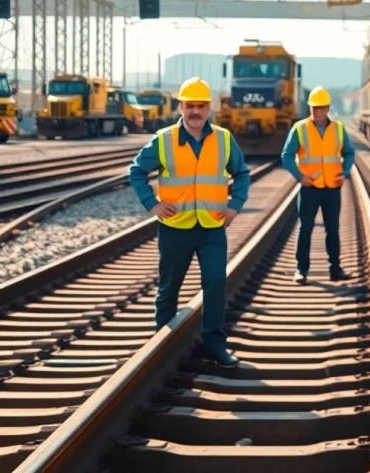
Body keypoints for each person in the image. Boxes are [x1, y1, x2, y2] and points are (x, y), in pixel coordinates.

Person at [128, 77, 251, 367]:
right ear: (180, 106)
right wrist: (152, 204)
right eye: (189, 105)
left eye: (201, 106)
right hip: (175, 228)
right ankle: (161, 342)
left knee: (216, 282)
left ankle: (214, 343)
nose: (195, 111)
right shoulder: (164, 139)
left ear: (210, 108)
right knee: (169, 288)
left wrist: (235, 205)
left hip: (211, 227)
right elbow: (136, 171)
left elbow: (242, 174)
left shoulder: (223, 138)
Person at [281, 86, 355, 284]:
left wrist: (345, 173)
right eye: (315, 108)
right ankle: (301, 270)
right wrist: (299, 177)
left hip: (332, 188)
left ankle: (336, 269)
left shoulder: (338, 128)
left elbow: (349, 153)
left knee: (333, 229)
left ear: (328, 108)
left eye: (322, 108)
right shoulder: (300, 128)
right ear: (310, 108)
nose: (318, 112)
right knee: (305, 229)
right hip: (309, 189)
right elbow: (286, 155)